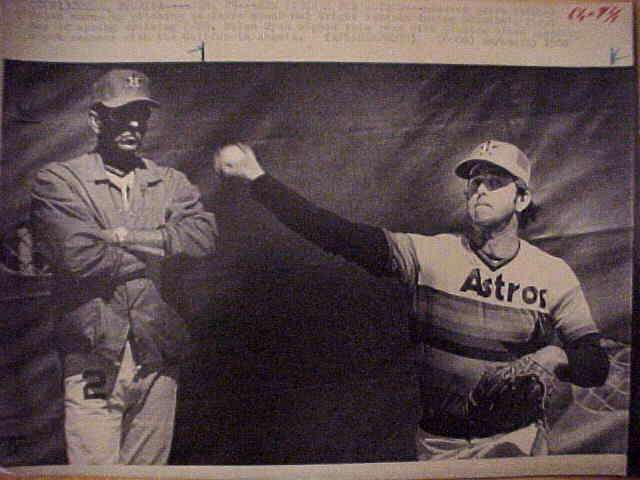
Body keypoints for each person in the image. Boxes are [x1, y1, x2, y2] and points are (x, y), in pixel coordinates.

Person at [214, 140, 609, 460]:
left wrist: (555, 358)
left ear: (522, 199)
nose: (480, 190)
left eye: (494, 181)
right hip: (441, 445)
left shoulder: (552, 273)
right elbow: (336, 234)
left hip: (516, 441)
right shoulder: (429, 254)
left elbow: (595, 364)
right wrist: (257, 179)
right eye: (474, 183)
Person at [30, 69, 218, 465]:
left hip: (157, 354)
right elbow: (77, 257)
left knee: (149, 473)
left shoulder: (170, 181)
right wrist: (163, 242)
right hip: (94, 358)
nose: (134, 124)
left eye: (142, 115)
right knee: (95, 472)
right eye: (122, 113)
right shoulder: (59, 179)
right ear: (97, 120)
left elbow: (202, 239)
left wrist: (120, 236)